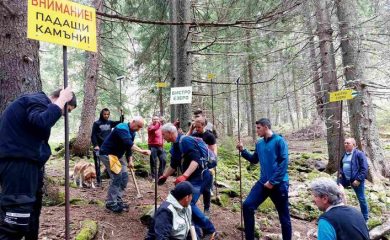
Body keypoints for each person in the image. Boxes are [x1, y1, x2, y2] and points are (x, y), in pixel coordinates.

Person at [0, 87, 76, 240]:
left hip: (28, 167)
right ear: (56, 97)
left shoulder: (37, 103)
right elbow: (41, 122)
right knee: (16, 223)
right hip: (18, 166)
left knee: (31, 217)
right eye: (66, 110)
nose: (63, 114)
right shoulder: (36, 101)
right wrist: (62, 100)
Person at [158, 123, 219, 240]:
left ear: (170, 133)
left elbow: (196, 160)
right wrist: (165, 176)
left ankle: (210, 230)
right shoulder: (175, 145)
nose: (162, 137)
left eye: (163, 134)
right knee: (184, 203)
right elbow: (174, 164)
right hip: (193, 177)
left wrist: (184, 176)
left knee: (188, 203)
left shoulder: (185, 141)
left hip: (201, 176)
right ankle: (194, 233)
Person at [236, 118, 291, 240]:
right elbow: (254, 159)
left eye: (258, 128)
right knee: (247, 205)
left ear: (266, 127)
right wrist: (243, 150)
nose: (257, 130)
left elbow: (284, 163)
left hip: (279, 184)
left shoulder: (279, 141)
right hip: (263, 182)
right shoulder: (259, 143)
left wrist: (273, 181)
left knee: (284, 217)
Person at [99, 116, 151, 213]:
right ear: (133, 122)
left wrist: (130, 160)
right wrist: (141, 151)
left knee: (124, 177)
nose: (139, 129)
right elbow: (128, 142)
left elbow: (128, 147)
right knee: (117, 177)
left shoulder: (133, 132)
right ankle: (111, 203)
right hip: (108, 154)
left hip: (118, 156)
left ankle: (118, 200)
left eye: (141, 128)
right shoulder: (121, 128)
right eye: (138, 126)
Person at [187, 117, 217, 216]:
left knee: (206, 189)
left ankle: (207, 209)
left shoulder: (209, 136)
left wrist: (211, 166)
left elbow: (213, 152)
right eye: (195, 127)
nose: (197, 129)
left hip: (206, 166)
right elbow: (184, 140)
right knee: (195, 187)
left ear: (204, 125)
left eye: (199, 127)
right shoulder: (194, 134)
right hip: (196, 166)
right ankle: (191, 208)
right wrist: (191, 130)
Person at [338, 137, 369, 221]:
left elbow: (364, 168)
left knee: (361, 199)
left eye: (348, 143)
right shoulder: (344, 155)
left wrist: (358, 180)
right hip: (345, 179)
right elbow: (341, 166)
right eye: (345, 143)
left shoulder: (359, 154)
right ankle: (342, 211)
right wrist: (340, 173)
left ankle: (365, 218)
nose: (346, 145)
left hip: (356, 180)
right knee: (336, 191)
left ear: (354, 145)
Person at [91, 108, 124, 186]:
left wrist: (122, 114)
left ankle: (112, 179)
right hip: (99, 147)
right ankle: (99, 181)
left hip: (108, 146)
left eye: (107, 114)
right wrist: (95, 145)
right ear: (101, 114)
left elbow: (120, 122)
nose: (106, 116)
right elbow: (93, 135)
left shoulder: (110, 123)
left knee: (110, 163)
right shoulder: (96, 123)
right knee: (97, 164)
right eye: (105, 114)